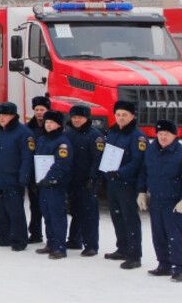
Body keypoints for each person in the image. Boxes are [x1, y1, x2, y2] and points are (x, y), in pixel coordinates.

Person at [138, 120, 182, 282]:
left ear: (175, 135)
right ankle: (164, 264)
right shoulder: (151, 150)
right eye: (160, 134)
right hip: (156, 201)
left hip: (174, 203)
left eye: (167, 134)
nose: (163, 137)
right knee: (158, 235)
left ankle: (180, 268)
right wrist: (141, 191)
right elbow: (144, 172)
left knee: (175, 236)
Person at [97, 100, 148, 269]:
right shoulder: (112, 132)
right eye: (118, 115)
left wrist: (120, 172)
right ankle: (122, 248)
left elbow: (138, 161)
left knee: (130, 218)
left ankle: (134, 255)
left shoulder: (137, 137)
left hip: (127, 183)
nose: (120, 118)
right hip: (112, 182)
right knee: (117, 216)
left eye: (124, 115)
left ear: (132, 116)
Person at [0, 102, 34, 252]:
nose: (1, 118)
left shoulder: (23, 133)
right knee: (0, 210)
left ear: (13, 116)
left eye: (5, 115)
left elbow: (27, 158)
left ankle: (19, 239)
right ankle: (3, 236)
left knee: (15, 210)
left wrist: (23, 177)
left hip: (13, 179)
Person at [33, 110, 73, 259]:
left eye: (52, 123)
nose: (48, 125)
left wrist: (49, 178)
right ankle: (50, 243)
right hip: (43, 184)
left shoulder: (62, 142)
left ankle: (60, 247)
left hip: (55, 185)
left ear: (58, 125)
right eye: (47, 122)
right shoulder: (43, 139)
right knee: (47, 214)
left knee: (57, 216)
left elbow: (61, 164)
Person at [64, 105, 101, 256]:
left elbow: (97, 159)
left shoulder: (95, 136)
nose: (76, 120)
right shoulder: (68, 133)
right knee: (75, 210)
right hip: (72, 179)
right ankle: (74, 239)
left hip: (87, 180)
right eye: (74, 117)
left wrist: (93, 177)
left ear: (87, 118)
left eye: (79, 117)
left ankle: (91, 245)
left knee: (89, 214)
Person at [24, 95, 50, 244]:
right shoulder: (28, 129)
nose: (39, 112)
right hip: (34, 171)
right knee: (34, 205)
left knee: (48, 206)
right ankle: (35, 233)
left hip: (49, 171)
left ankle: (51, 235)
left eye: (42, 109)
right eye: (37, 109)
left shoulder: (53, 126)